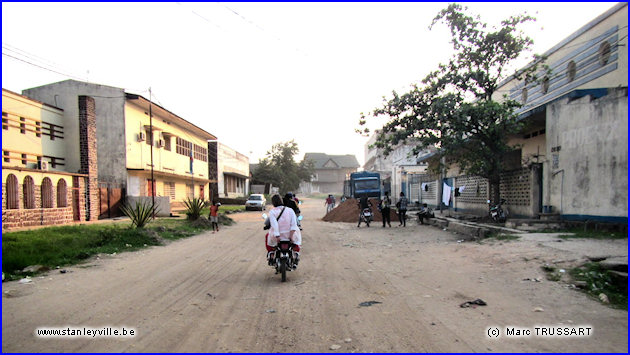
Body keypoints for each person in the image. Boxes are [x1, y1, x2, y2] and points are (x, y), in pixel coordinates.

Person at [266, 194, 301, 269]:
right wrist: (291, 236)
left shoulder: (272, 212)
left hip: (277, 237)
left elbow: (274, 225)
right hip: (290, 236)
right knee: (296, 241)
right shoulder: (290, 210)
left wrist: (277, 236)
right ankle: (296, 254)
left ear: (273, 203)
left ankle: (271, 254)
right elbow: (294, 225)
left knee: (267, 236)